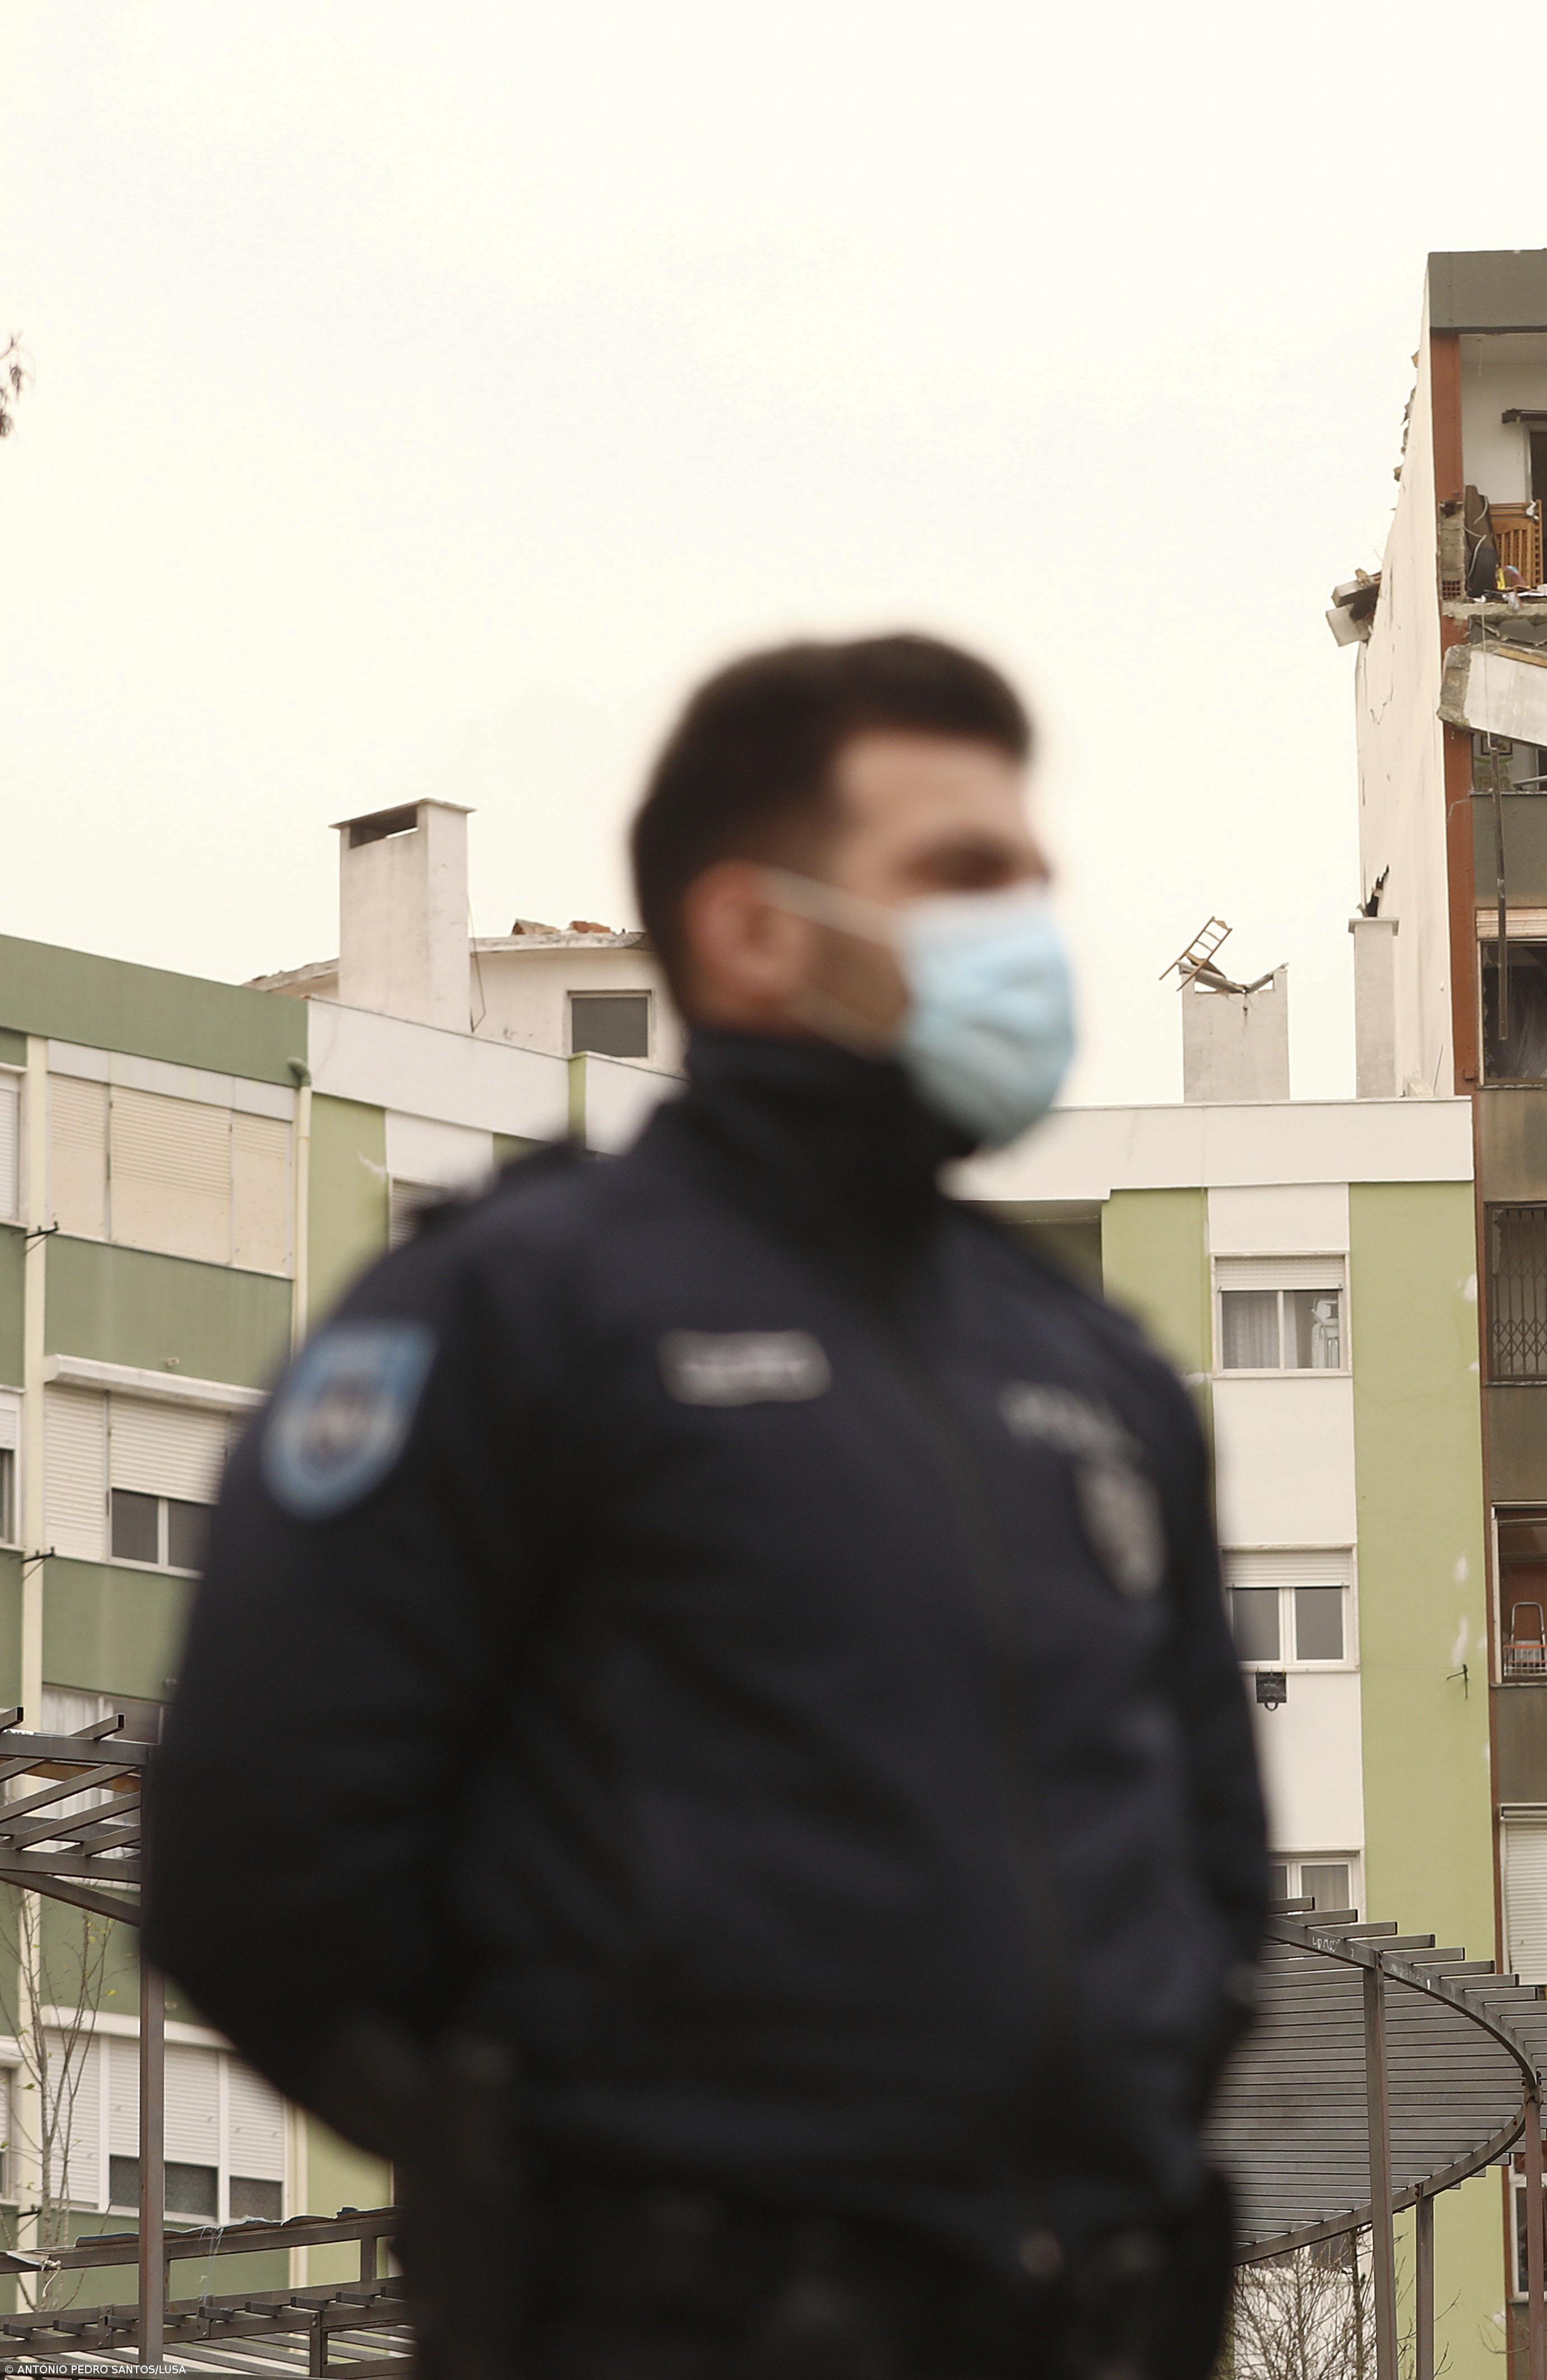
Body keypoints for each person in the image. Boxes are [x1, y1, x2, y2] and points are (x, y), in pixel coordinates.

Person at [148, 635, 1270, 2379]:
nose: (1026, 934)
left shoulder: (1091, 1363)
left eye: (1031, 880)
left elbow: (1212, 1862)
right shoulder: (516, 1309)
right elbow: (258, 1866)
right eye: (962, 877)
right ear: (753, 925)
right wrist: (566, 2186)